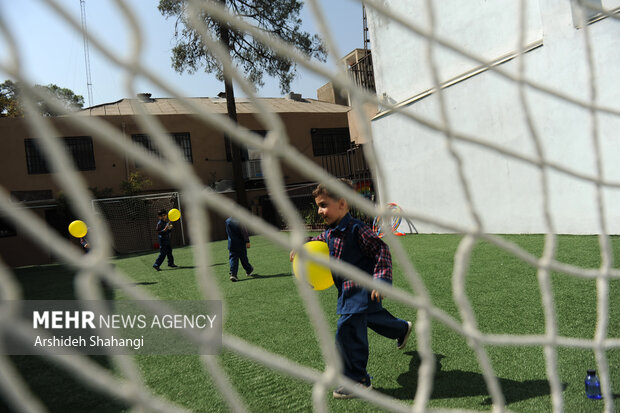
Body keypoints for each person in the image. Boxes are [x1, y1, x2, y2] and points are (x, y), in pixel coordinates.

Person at [290, 181, 412, 399]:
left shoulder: (358, 229)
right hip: (347, 291)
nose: (319, 211)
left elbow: (380, 251)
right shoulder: (330, 232)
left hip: (362, 288)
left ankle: (358, 380)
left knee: (347, 332)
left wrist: (382, 279)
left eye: (324, 205)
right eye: (318, 206)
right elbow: (318, 245)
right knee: (374, 318)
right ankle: (401, 329)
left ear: (343, 204)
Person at [225, 216, 254, 282]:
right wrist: (247, 241)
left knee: (233, 259)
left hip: (231, 243)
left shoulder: (227, 221)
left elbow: (228, 232)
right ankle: (249, 270)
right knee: (243, 258)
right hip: (240, 243)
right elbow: (244, 231)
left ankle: (233, 274)